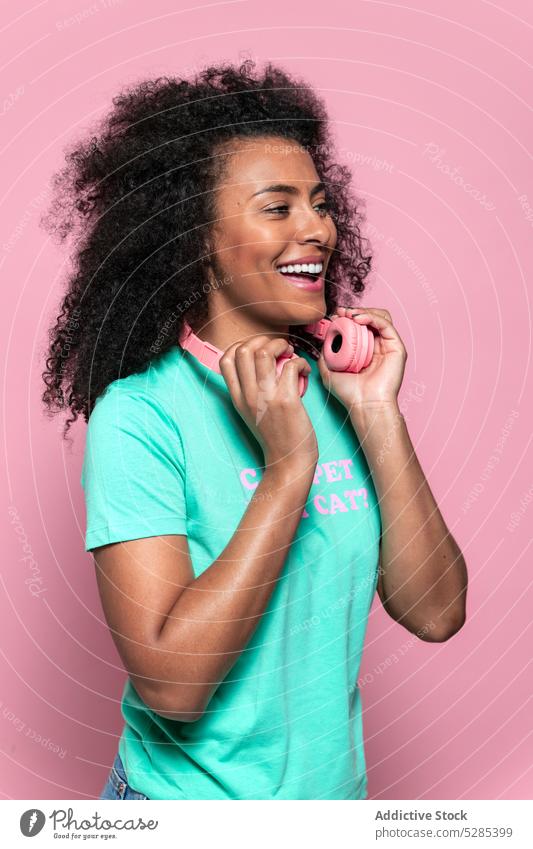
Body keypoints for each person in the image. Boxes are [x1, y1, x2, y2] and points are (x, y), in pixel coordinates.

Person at [41, 60, 468, 801]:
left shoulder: (337, 389)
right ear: (196, 235)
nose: (317, 229)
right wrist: (286, 466)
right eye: (277, 208)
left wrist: (375, 412)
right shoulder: (140, 418)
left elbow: (435, 611)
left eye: (320, 202)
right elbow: (172, 685)